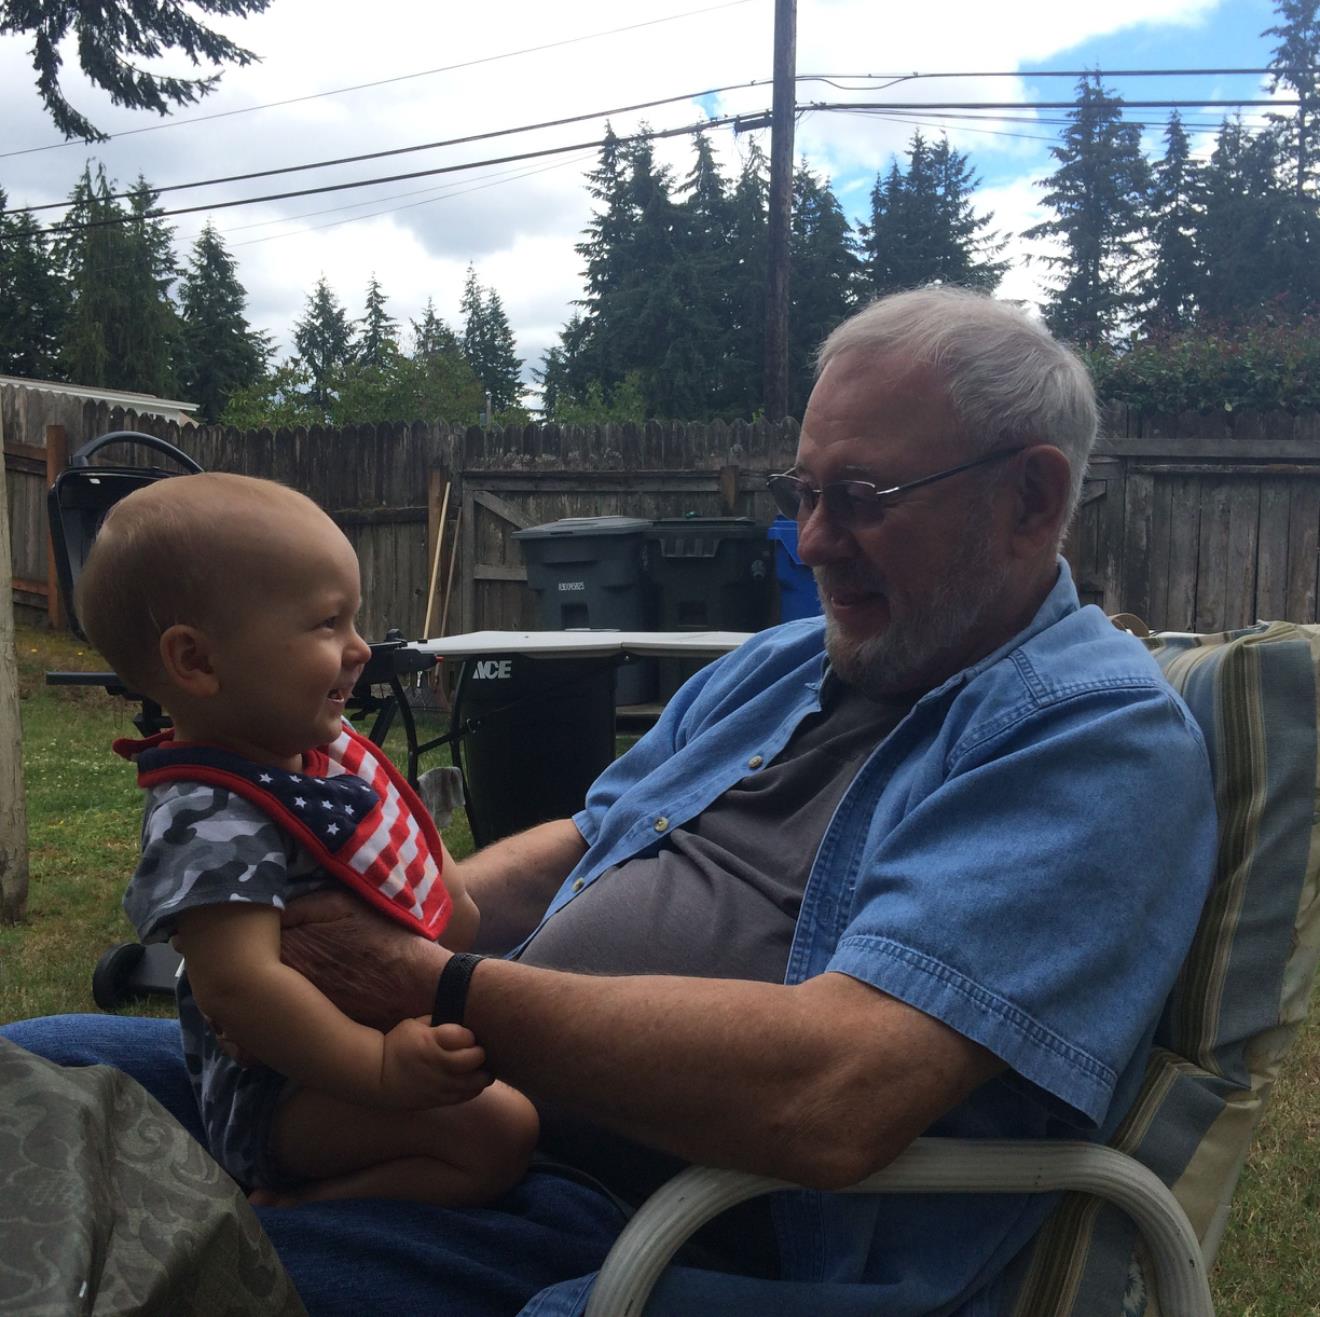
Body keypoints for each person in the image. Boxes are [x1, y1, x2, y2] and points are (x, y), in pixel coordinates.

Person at [4, 288, 1217, 1316]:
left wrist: (422, 983)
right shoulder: (787, 665)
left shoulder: (1092, 739)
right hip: (483, 1104)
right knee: (33, 1076)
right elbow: (586, 842)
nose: (814, 543)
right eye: (804, 493)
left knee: (142, 1275)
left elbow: (835, 1095)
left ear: (1031, 500)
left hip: (683, 1226)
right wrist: (368, 917)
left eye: (863, 498)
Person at [70, 473, 538, 1208]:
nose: (358, 648)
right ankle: (293, 1212)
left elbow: (407, 843)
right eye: (327, 625)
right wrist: (380, 1066)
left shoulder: (321, 746)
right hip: (281, 1095)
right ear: (197, 661)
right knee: (500, 1131)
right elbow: (240, 986)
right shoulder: (213, 811)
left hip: (376, 1037)